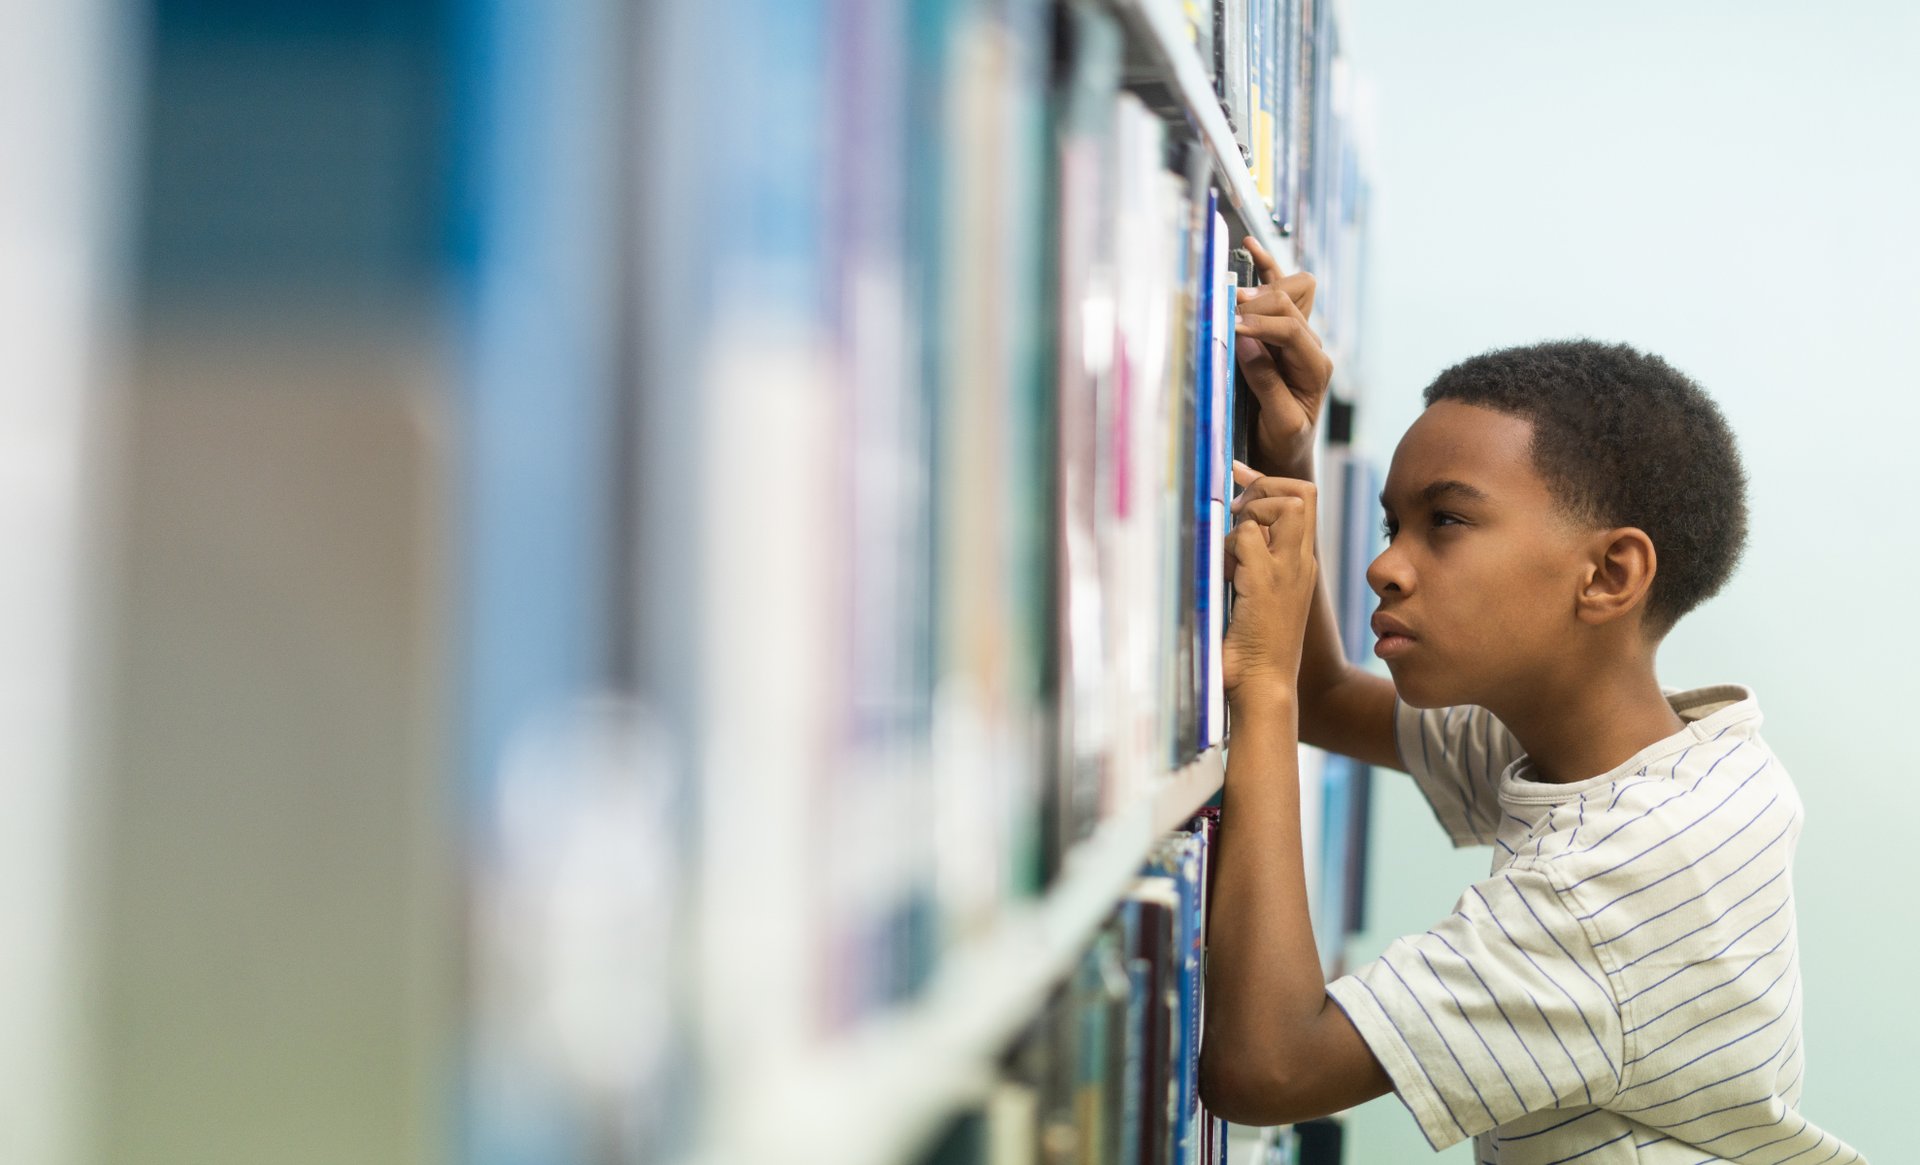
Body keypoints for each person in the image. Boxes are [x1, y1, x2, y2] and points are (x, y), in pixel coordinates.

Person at [1197, 235, 1866, 1164]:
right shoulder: (1640, 746)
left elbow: (1265, 1069)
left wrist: (1257, 687)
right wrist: (1288, 447)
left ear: (1609, 573)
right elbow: (1323, 696)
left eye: (1448, 522)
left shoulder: (1622, 881)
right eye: (1395, 523)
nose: (1384, 564)